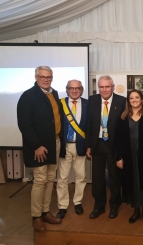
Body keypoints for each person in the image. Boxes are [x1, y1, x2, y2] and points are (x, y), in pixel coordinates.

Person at [17, 66, 64, 232]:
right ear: (36, 77)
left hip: (54, 143)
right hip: (38, 147)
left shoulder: (54, 93)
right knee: (40, 180)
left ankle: (45, 212)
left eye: (49, 77)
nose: (46, 79)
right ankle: (36, 217)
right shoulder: (28, 96)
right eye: (42, 76)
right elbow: (24, 124)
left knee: (51, 178)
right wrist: (36, 145)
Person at [86, 75, 126, 219]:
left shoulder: (122, 101)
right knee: (97, 178)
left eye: (107, 87)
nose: (104, 90)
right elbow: (89, 124)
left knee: (115, 177)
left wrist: (121, 152)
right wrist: (89, 145)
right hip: (97, 144)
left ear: (113, 87)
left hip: (113, 145)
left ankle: (114, 205)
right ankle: (99, 206)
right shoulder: (92, 100)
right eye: (101, 87)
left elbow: (123, 128)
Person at [115, 90, 143, 224]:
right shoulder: (123, 117)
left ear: (142, 99)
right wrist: (119, 157)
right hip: (129, 155)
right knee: (132, 182)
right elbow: (118, 139)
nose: (134, 100)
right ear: (128, 101)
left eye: (136, 97)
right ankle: (136, 211)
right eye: (131, 98)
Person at [56, 80, 88, 219]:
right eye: (71, 88)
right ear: (67, 89)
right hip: (64, 146)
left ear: (81, 90)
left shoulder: (88, 104)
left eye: (77, 88)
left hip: (80, 145)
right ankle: (62, 206)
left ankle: (78, 202)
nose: (74, 91)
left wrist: (89, 146)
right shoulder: (59, 103)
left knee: (81, 176)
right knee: (62, 178)